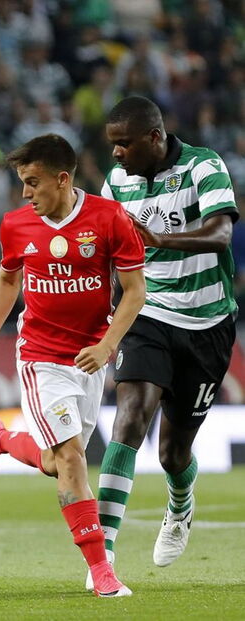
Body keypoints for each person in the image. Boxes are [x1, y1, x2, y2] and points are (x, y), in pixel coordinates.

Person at [0, 134, 146, 598]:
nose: (25, 193)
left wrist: (107, 345)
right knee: (70, 459)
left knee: (56, 462)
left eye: (32, 182)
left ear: (62, 179)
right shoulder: (16, 226)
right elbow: (8, 278)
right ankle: (102, 570)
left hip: (89, 359)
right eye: (22, 183)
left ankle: (0, 439)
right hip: (40, 356)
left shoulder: (109, 220)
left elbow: (134, 290)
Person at [94, 96, 239, 572]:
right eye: (112, 144)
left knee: (173, 453)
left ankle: (179, 504)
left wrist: (159, 239)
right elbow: (110, 256)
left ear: (154, 138)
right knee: (129, 418)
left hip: (206, 323)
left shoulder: (203, 166)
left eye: (124, 144)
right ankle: (102, 555)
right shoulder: (116, 182)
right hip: (148, 312)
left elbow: (221, 234)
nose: (116, 154)